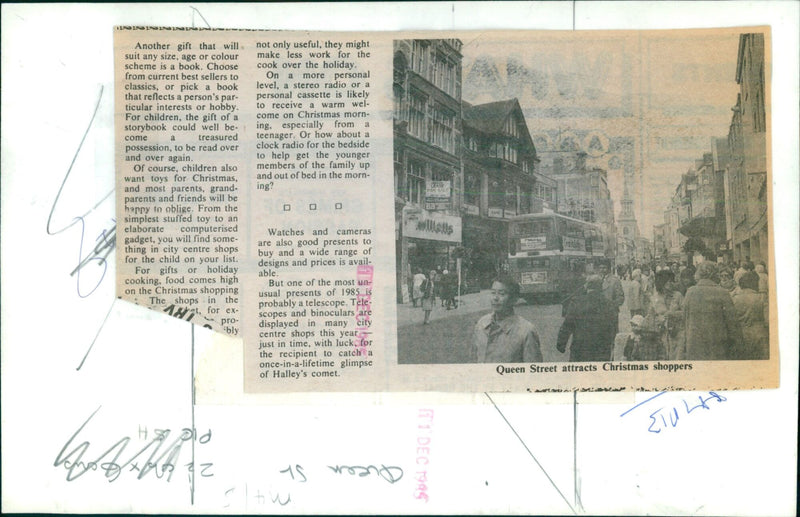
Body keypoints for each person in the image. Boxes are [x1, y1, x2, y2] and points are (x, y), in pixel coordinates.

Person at [470, 274, 543, 363]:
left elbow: (533, 371)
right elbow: (473, 363)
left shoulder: (526, 331)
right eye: (493, 293)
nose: (495, 298)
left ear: (514, 299)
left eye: (502, 294)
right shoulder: (481, 324)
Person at [679, 262, 743, 360]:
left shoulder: (690, 292)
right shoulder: (723, 292)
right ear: (714, 274)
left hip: (694, 343)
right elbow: (732, 322)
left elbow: (684, 318)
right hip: (717, 344)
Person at [556, 275, 618, 361]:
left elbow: (567, 325)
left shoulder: (576, 302)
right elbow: (614, 328)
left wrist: (561, 344)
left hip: (580, 349)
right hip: (602, 349)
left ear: (587, 286)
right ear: (601, 287)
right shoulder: (609, 304)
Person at [647, 269, 684, 360]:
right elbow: (650, 317)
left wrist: (673, 314)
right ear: (661, 283)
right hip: (661, 335)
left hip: (677, 334)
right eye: (668, 282)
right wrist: (658, 320)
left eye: (672, 281)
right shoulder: (655, 298)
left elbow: (686, 312)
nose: (671, 284)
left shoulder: (678, 296)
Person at [732, 271, 769, 359]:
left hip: (740, 334)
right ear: (755, 283)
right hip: (759, 335)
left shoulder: (735, 299)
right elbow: (767, 321)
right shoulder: (762, 298)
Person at [597, 260, 624, 334]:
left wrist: (610, 305)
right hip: (598, 314)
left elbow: (621, 298)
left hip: (611, 313)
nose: (602, 270)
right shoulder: (596, 279)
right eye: (600, 268)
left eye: (604, 268)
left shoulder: (615, 281)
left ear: (609, 269)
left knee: (611, 335)